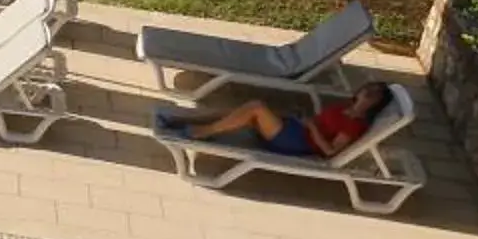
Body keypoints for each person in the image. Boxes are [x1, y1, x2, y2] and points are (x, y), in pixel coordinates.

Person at [157, 81, 393, 161]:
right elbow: (320, 121)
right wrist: (305, 118)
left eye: (376, 94)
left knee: (255, 107)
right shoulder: (345, 107)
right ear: (360, 91)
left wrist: (310, 125)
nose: (369, 93)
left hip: (298, 142)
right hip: (297, 129)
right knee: (237, 112)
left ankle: (200, 132)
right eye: (369, 89)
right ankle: (179, 120)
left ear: (376, 104)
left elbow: (330, 151)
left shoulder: (355, 125)